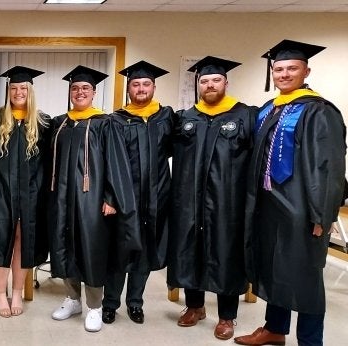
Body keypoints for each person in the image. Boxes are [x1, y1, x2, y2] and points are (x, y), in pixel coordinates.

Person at [235, 40, 346, 346]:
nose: (284, 74)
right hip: (268, 204)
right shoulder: (269, 109)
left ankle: (310, 340)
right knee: (274, 268)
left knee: (306, 275)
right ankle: (275, 328)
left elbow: (328, 166)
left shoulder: (319, 111)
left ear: (306, 71)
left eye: (292, 68)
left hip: (301, 206)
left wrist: (322, 214)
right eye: (279, 69)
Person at [168, 56, 256, 340]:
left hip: (227, 201)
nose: (210, 85)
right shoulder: (186, 117)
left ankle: (227, 316)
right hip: (189, 199)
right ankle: (195, 306)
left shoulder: (244, 115)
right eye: (204, 81)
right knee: (190, 250)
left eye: (216, 80)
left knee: (225, 253)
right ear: (198, 85)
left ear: (226, 83)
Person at [47, 65, 139, 333]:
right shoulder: (60, 123)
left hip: (93, 199)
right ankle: (73, 299)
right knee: (63, 246)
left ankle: (95, 306)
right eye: (75, 88)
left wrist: (111, 197)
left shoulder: (105, 123)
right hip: (62, 197)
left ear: (94, 92)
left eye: (85, 88)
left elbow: (116, 162)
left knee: (92, 249)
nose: (80, 92)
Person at [0, 65, 50, 318]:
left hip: (31, 194)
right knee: (1, 241)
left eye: (23, 88)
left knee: (23, 242)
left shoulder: (43, 123)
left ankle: (17, 292)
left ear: (30, 92)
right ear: (8, 91)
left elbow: (49, 163)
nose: (18, 92)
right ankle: (0, 294)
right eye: (14, 88)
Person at [104, 61, 172, 325]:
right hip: (125, 198)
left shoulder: (166, 117)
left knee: (144, 252)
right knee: (118, 252)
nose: (141, 89)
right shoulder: (116, 120)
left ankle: (135, 303)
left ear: (153, 87)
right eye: (135, 84)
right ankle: (110, 303)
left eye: (146, 84)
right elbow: (109, 162)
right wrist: (111, 197)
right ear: (128, 89)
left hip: (157, 197)